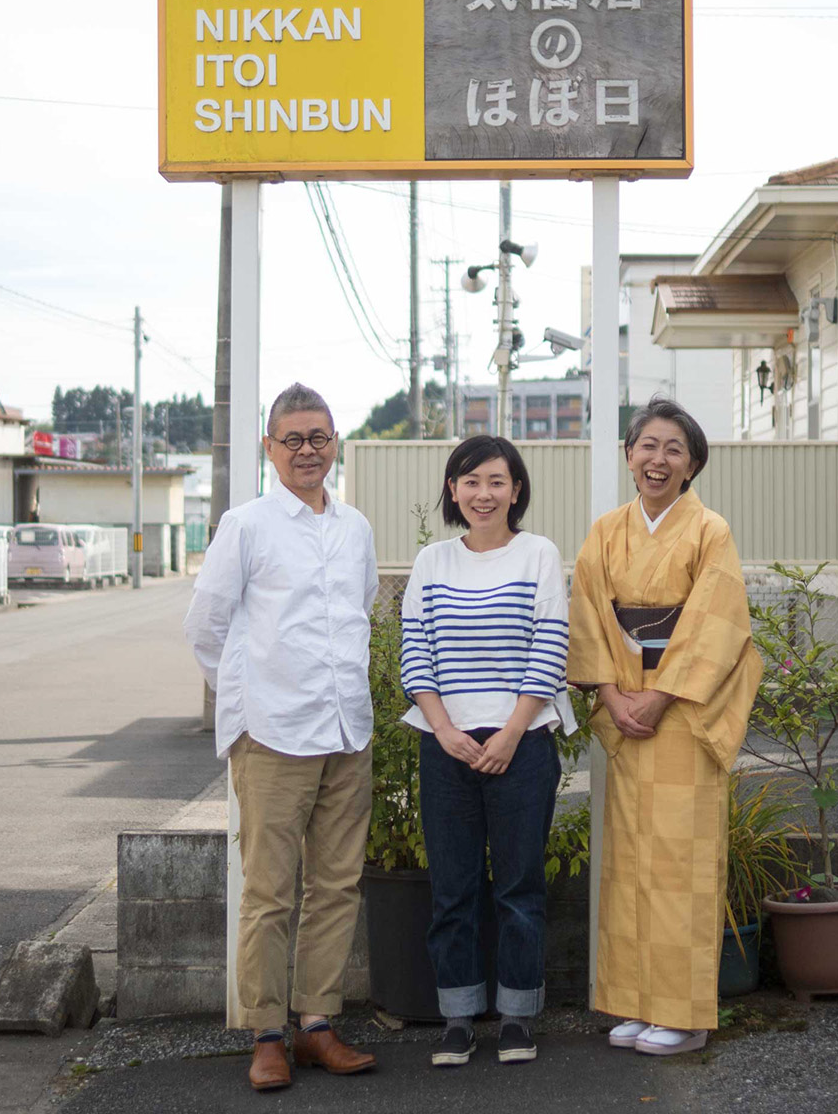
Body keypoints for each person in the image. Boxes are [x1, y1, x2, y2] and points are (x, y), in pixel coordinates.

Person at [184, 383, 379, 1092]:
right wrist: (248, 698)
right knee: (269, 891)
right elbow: (205, 625)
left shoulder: (354, 528)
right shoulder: (248, 525)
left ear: (336, 444)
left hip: (345, 729)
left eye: (318, 436)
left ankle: (318, 1023)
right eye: (292, 438)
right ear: (269, 449)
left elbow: (358, 610)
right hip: (271, 734)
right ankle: (267, 1035)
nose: (307, 450)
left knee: (336, 886)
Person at [566, 396, 761, 1057]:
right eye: (647, 445)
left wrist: (661, 695)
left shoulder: (711, 531)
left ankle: (681, 1014)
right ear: (629, 455)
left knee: (680, 863)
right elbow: (589, 614)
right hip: (626, 713)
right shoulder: (605, 532)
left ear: (693, 466)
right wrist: (613, 693)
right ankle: (633, 1000)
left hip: (679, 717)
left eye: (673, 449)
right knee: (628, 864)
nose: (658, 459)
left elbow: (718, 622)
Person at [401, 436, 575, 1068]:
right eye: (470, 482)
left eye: (496, 482)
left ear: (517, 490)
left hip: (522, 742)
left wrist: (509, 731)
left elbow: (550, 648)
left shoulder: (539, 555)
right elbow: (414, 651)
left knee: (519, 886)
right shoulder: (432, 561)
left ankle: (518, 1018)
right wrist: (445, 730)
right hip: (443, 743)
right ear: (453, 491)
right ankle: (456, 1019)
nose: (483, 494)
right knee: (453, 885)